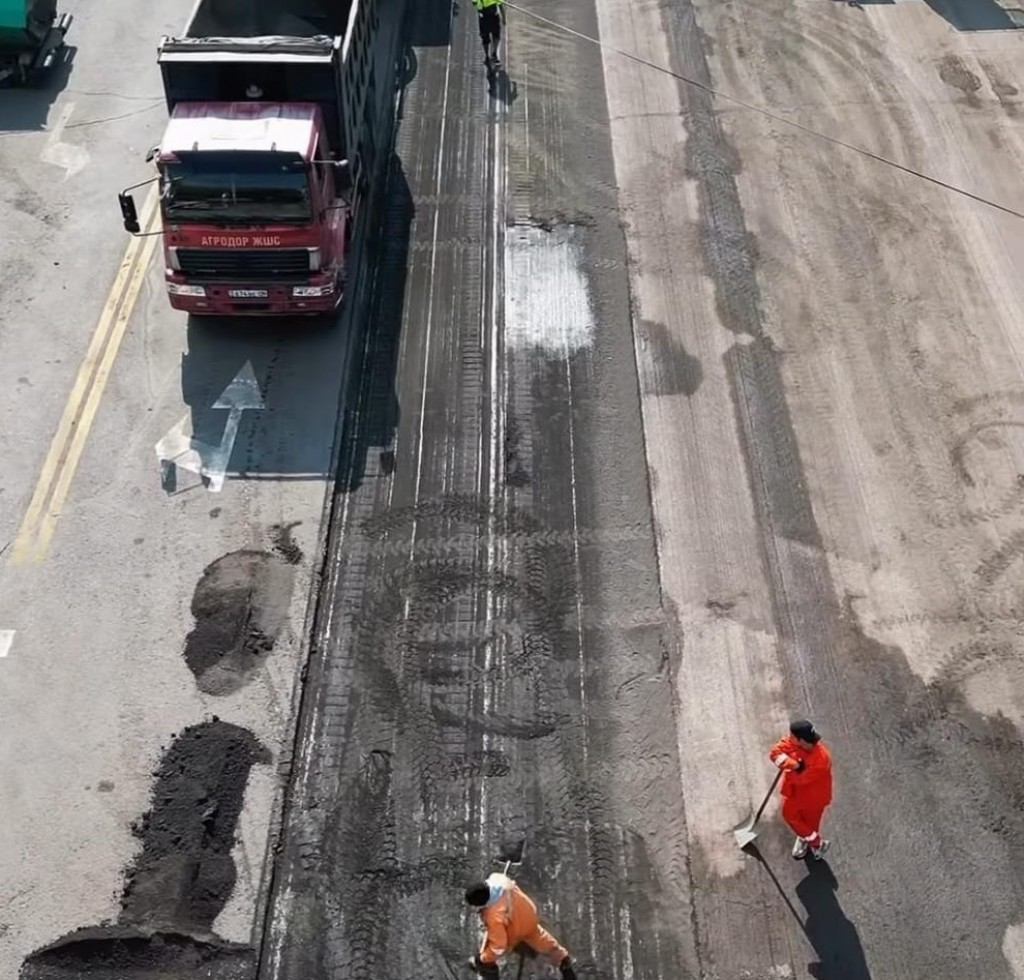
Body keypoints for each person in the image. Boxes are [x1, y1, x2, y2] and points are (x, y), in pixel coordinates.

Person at [465, 871, 576, 980]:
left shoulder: (494, 916)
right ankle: (563, 960)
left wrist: (484, 958)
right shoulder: (499, 879)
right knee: (540, 937)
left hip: (515, 931)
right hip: (529, 918)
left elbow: (499, 946)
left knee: (488, 957)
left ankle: (489, 971)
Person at [769, 719, 833, 860]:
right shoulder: (794, 742)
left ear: (802, 740)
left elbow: (799, 780)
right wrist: (794, 764)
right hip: (794, 793)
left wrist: (791, 766)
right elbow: (775, 753)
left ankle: (811, 842)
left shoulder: (821, 760)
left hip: (814, 798)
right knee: (789, 814)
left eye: (792, 736)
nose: (789, 738)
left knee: (810, 824)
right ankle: (814, 841)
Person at [471, 0, 506, 69]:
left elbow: (500, 5)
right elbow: (474, 3)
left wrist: (503, 18)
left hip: (492, 17)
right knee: (486, 39)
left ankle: (494, 54)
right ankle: (487, 56)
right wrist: (503, 18)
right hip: (484, 18)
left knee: (496, 37)